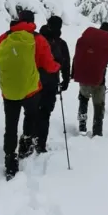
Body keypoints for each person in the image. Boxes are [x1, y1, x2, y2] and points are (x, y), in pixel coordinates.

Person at [0, 8, 60, 179]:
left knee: (10, 125)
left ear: (18, 19)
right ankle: (26, 142)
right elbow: (49, 65)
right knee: (31, 115)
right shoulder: (38, 39)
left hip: (9, 91)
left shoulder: (6, 37)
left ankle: (10, 159)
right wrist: (57, 66)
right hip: (31, 90)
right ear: (32, 22)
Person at [71, 22, 108, 137]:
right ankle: (97, 131)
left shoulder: (87, 42)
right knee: (98, 105)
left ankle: (82, 125)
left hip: (84, 78)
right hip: (99, 81)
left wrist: (73, 73)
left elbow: (77, 57)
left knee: (83, 99)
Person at [35, 14, 71, 153]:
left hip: (33, 81)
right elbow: (65, 64)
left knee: (33, 111)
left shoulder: (36, 39)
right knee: (45, 113)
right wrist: (65, 81)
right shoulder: (61, 44)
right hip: (51, 83)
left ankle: (29, 139)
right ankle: (40, 144)